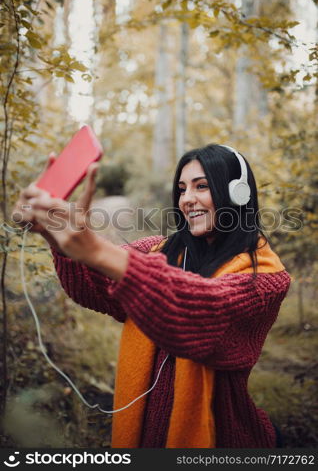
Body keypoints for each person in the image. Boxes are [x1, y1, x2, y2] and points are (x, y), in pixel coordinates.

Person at [12, 144, 291, 448]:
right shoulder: (160, 250)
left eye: (202, 186)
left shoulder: (265, 277)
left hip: (220, 437)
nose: (187, 199)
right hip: (145, 433)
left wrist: (95, 249)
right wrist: (56, 233)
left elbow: (201, 311)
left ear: (238, 193)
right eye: (182, 189)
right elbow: (93, 286)